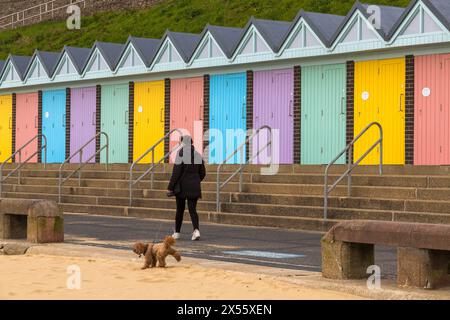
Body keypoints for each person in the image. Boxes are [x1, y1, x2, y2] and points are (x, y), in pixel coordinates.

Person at [167, 136, 206, 241]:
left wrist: (170, 187)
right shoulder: (197, 155)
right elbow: (203, 172)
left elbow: (176, 172)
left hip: (181, 188)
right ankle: (196, 230)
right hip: (194, 187)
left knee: (180, 210)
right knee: (193, 209)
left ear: (183, 143)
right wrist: (196, 181)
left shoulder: (181, 154)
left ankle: (177, 233)